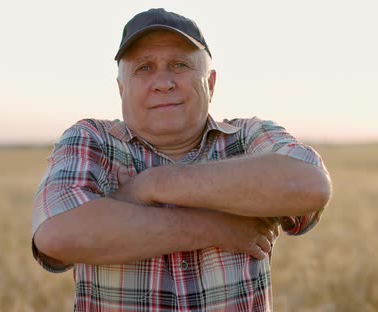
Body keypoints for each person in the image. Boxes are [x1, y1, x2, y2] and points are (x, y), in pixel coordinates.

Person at [31, 8, 332, 311]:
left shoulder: (247, 137)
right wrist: (217, 228)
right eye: (144, 68)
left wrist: (151, 184)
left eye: (180, 65)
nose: (163, 82)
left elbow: (310, 185)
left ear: (210, 83)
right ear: (122, 89)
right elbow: (57, 236)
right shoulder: (91, 140)